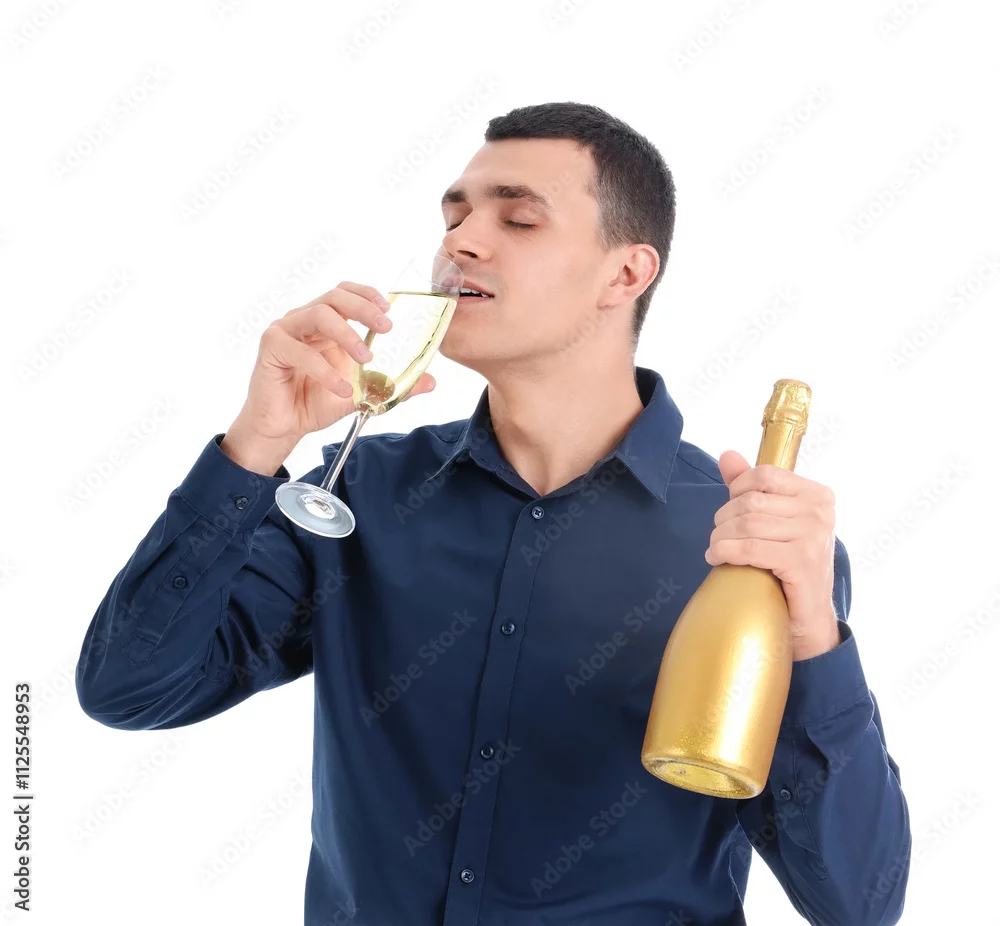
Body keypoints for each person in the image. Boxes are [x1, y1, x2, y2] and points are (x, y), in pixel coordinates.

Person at [75, 102, 910, 926]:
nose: (460, 242)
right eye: (455, 216)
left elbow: (859, 905)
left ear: (625, 275)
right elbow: (129, 689)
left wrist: (814, 637)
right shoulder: (360, 492)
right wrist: (256, 444)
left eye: (517, 218)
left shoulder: (746, 544)